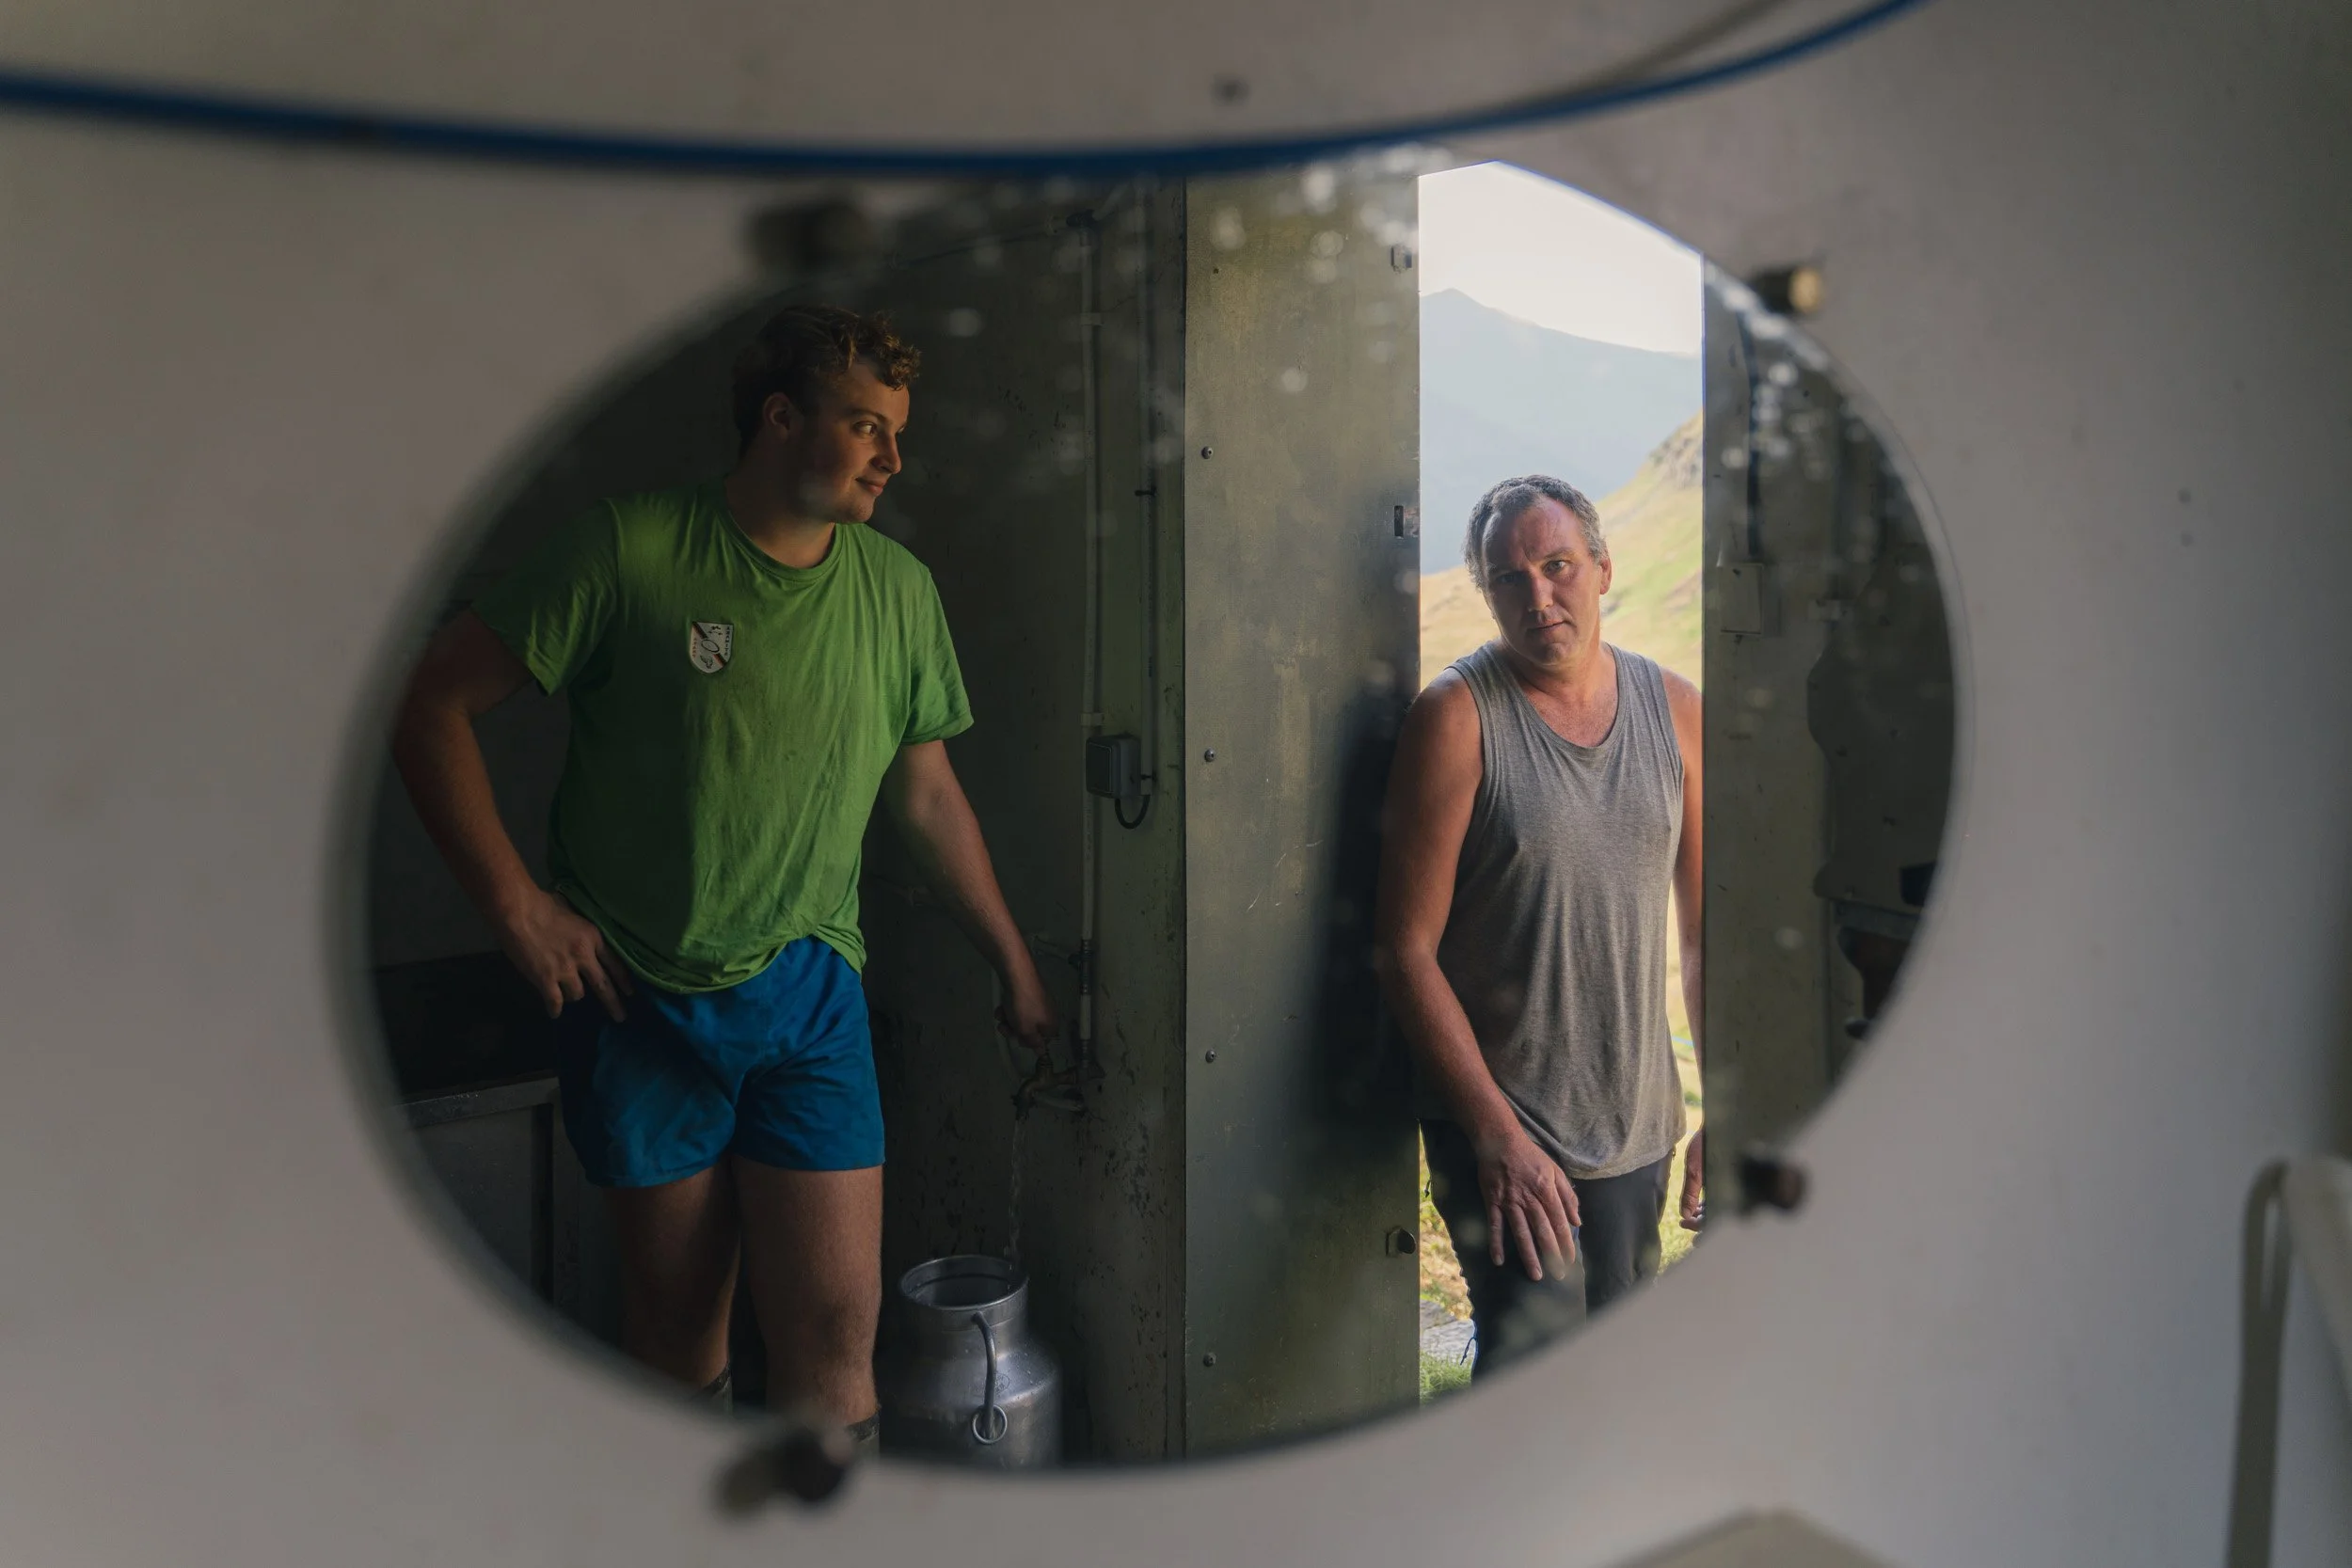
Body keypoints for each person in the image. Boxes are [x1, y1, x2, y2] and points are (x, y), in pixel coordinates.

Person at [390, 305, 1059, 1444]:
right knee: (678, 1344)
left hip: (810, 1000)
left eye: (899, 432)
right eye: (865, 426)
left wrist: (1012, 959)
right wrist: (516, 905)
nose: (893, 458)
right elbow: (432, 702)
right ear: (779, 418)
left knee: (836, 1354)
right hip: (638, 1000)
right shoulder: (630, 548)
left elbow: (928, 795)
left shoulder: (896, 590)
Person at [1375, 474, 1703, 1378]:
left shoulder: (1675, 711)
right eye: (1508, 579)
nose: (1538, 596)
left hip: (1636, 1125)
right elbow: (1404, 951)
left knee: (1620, 1382)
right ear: (1486, 594)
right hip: (1510, 1134)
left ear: (1601, 568)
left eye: (1557, 566)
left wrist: (1727, 1091)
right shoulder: (1455, 719)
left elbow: (1704, 927)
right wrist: (1497, 1140)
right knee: (1531, 1394)